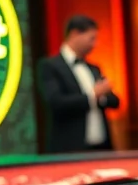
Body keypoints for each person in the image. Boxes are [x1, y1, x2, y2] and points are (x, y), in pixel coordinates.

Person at [37, 15, 120, 153]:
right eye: (91, 38)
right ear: (75, 34)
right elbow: (56, 102)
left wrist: (102, 96)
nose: (94, 44)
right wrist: (93, 95)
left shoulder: (94, 68)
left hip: (101, 149)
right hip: (70, 149)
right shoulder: (50, 66)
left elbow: (115, 102)